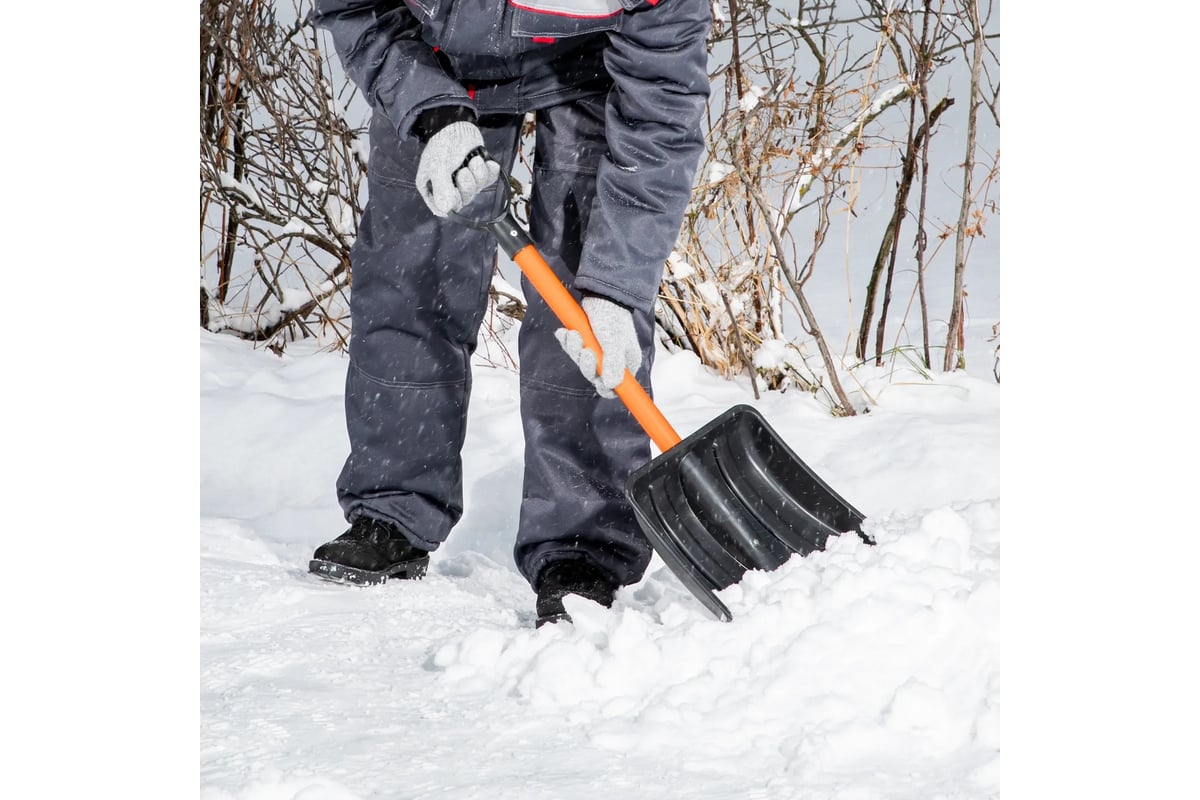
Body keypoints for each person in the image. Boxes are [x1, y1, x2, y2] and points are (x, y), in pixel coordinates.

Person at [307, 0, 710, 626]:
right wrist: (427, 107)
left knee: (582, 307)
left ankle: (582, 547)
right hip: (434, 55)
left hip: (592, 66)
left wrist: (617, 290)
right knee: (411, 274)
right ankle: (393, 507)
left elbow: (660, 114)